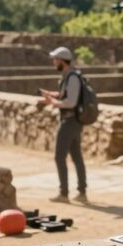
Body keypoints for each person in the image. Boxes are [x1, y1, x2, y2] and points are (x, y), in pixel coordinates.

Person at [40, 46, 87, 204]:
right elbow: (65, 96)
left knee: (60, 157)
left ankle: (64, 193)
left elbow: (70, 102)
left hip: (70, 122)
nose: (54, 62)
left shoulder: (72, 77)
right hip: (72, 121)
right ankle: (81, 192)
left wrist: (53, 102)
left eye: (56, 59)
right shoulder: (68, 76)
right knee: (76, 157)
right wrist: (52, 95)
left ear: (62, 60)